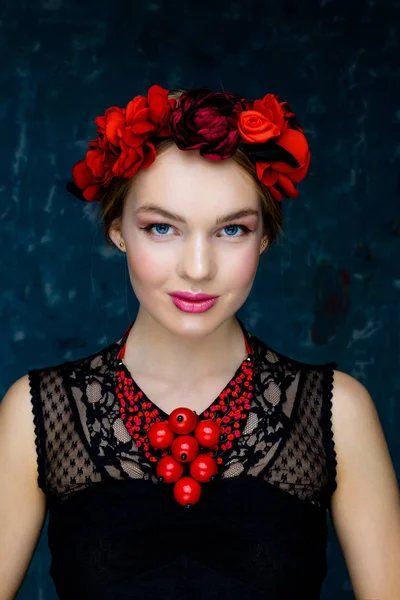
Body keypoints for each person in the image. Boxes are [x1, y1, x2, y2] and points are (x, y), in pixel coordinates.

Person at [0, 85, 399, 600]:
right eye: (162, 228)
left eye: (231, 230)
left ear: (265, 236)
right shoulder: (38, 413)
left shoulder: (336, 411)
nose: (198, 268)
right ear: (118, 229)